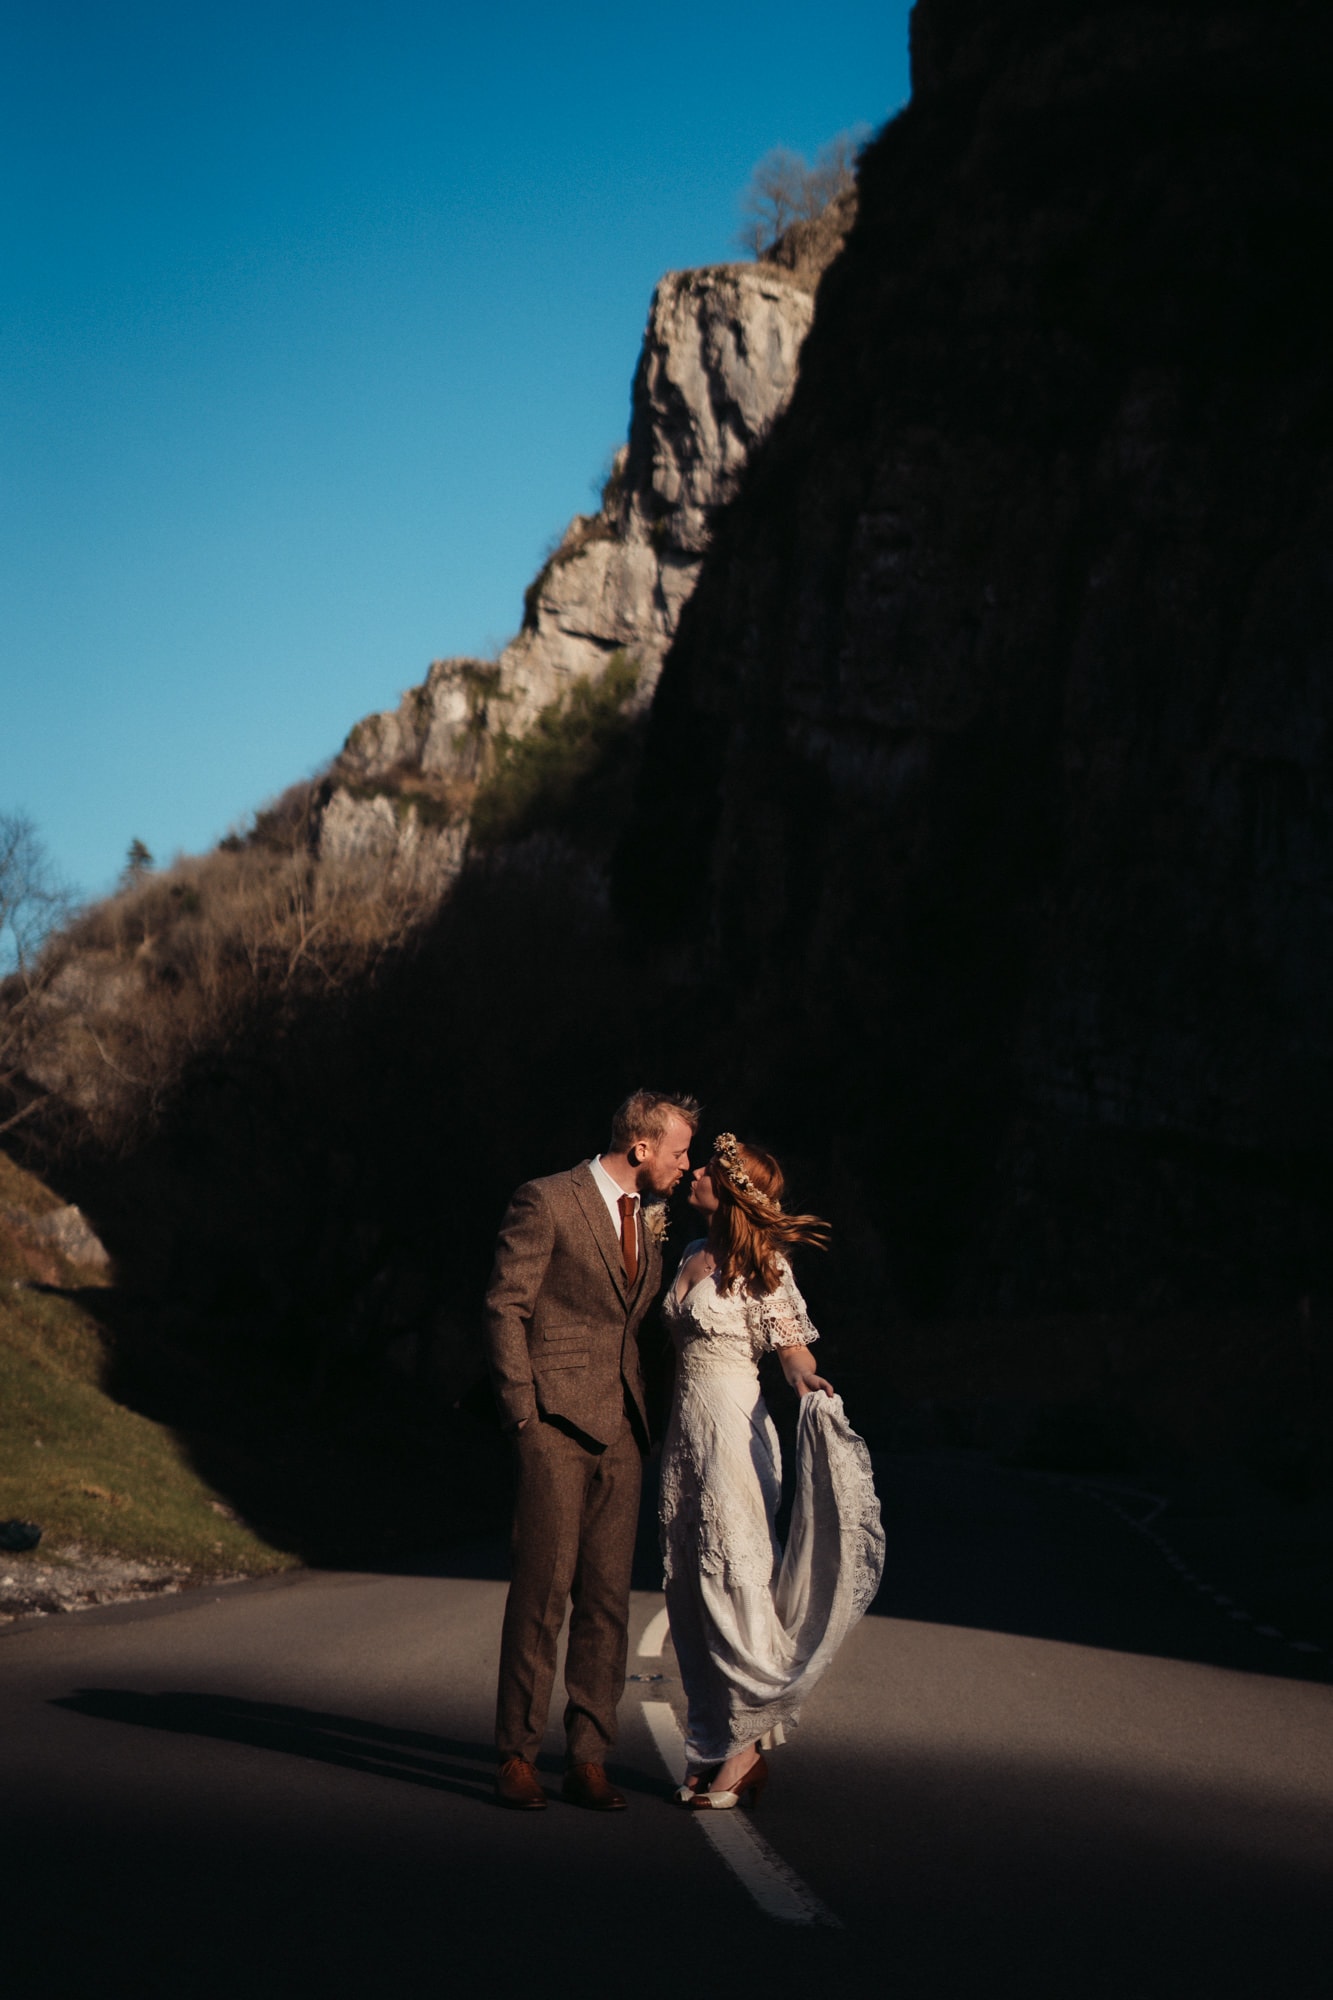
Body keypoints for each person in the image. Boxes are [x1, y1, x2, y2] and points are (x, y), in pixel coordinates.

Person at [485, 1089, 699, 1810]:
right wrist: (523, 1413)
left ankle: (587, 1759)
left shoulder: (655, 1220)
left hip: (624, 1428)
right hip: (552, 1424)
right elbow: (506, 1307)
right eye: (678, 1151)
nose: (685, 1163)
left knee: (606, 1602)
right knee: (542, 1594)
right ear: (640, 1148)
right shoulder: (545, 1200)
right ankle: (516, 1755)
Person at [660, 1133, 885, 1808]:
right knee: (689, 1589)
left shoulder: (766, 1266)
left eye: (703, 1168)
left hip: (733, 1426)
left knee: (733, 1577)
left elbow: (790, 1350)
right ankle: (709, 1740)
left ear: (727, 1188)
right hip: (685, 1434)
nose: (692, 1172)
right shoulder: (693, 1253)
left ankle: (744, 1745)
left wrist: (808, 1382)